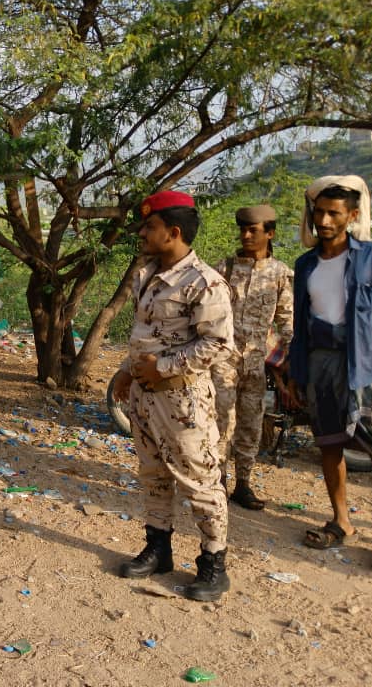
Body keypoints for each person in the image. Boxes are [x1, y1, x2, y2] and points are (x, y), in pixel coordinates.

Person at [113, 191, 235, 602]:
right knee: (153, 475)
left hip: (183, 400)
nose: (143, 233)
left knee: (200, 482)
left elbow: (216, 344)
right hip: (146, 399)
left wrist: (161, 368)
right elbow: (145, 333)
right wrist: (128, 371)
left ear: (174, 232)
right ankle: (158, 548)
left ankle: (213, 565)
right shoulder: (146, 274)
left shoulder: (205, 282)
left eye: (150, 226)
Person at [288, 175, 372, 573]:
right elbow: (299, 324)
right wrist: (296, 371)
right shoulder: (305, 264)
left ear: (351, 216)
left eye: (333, 213)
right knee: (328, 445)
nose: (323, 220)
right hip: (320, 364)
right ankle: (342, 520)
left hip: (363, 366)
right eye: (319, 212)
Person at [212, 205, 294, 509]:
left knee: (250, 422)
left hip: (257, 362)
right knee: (221, 421)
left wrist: (290, 361)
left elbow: (288, 321)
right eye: (243, 230)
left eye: (253, 230)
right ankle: (217, 480)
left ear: (269, 234)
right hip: (223, 359)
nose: (246, 235)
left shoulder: (280, 274)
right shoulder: (224, 269)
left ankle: (242, 484)